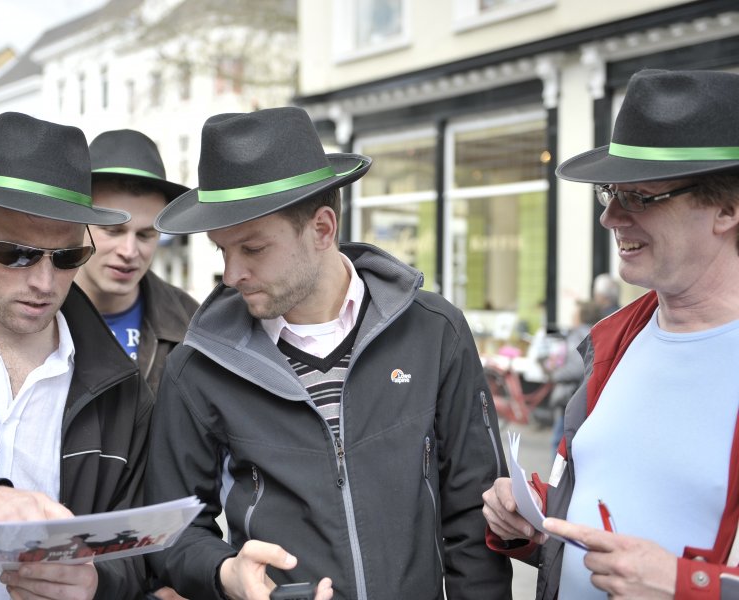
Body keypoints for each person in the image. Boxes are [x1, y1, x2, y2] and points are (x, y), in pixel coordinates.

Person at [144, 106, 512, 600]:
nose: (231, 274)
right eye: (221, 251)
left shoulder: (434, 331)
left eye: (252, 249)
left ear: (321, 228)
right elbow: (171, 531)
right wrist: (224, 571)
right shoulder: (197, 367)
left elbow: (475, 513)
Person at [482, 68, 739, 600]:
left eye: (641, 197)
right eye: (609, 192)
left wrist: (685, 585)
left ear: (727, 210)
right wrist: (536, 518)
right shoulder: (617, 339)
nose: (611, 217)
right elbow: (615, 519)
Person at [0, 112, 154, 599]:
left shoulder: (122, 389)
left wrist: (96, 583)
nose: (43, 282)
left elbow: (141, 559)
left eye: (66, 258)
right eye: (16, 254)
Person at [75, 128, 199, 394]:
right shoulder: (35, 310)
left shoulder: (193, 325)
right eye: (113, 230)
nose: (129, 251)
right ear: (76, 223)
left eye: (145, 235)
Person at [545, 300, 600, 456]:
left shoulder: (578, 334)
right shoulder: (596, 332)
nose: (571, 317)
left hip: (570, 397)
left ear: (581, 316)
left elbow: (577, 368)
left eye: (574, 313)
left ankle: (556, 480)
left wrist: (555, 374)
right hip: (585, 397)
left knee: (559, 443)